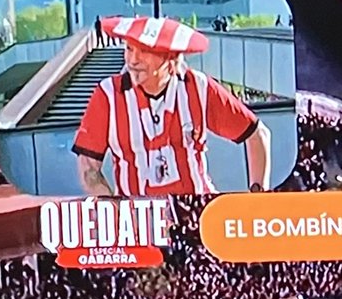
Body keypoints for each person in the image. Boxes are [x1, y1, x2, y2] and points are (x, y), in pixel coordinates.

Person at [72, 15, 272, 196]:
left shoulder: (198, 87)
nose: (133, 60)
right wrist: (115, 210)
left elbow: (257, 134)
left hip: (196, 212)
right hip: (139, 219)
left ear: (171, 58)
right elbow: (88, 167)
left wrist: (257, 196)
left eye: (144, 51)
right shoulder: (107, 95)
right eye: (129, 49)